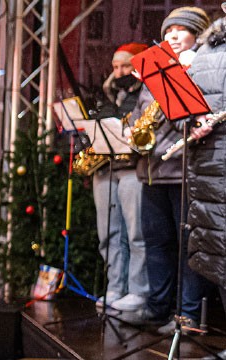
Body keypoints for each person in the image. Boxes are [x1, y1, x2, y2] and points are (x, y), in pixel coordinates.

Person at [129, 7, 212, 335]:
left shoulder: (198, 67)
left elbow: (191, 115)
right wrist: (134, 128)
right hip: (151, 170)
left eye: (182, 30)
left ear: (197, 35)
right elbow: (139, 115)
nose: (173, 36)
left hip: (183, 170)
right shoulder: (153, 72)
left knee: (187, 244)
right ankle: (158, 307)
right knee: (157, 243)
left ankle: (188, 314)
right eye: (169, 30)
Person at [90, 43, 149, 312]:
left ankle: (138, 290)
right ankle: (114, 286)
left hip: (132, 169)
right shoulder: (108, 94)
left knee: (135, 234)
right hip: (105, 169)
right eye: (115, 67)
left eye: (125, 66)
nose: (119, 72)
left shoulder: (144, 93)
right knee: (108, 234)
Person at [185, 10, 226, 326]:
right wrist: (191, 122)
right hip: (211, 166)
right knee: (219, 255)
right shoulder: (207, 49)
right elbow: (186, 104)